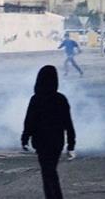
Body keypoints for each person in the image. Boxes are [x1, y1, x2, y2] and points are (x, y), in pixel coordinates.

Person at [21, 65, 76, 199]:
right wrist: (71, 144)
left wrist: (25, 138)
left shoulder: (36, 99)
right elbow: (68, 123)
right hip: (57, 142)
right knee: (50, 171)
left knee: (48, 173)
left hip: (41, 142)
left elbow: (29, 121)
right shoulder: (60, 99)